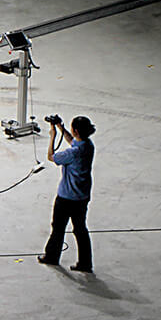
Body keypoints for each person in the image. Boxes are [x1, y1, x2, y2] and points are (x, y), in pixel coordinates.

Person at [38, 115, 96, 272]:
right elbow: (72, 141)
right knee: (80, 229)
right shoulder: (87, 146)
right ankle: (85, 263)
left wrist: (52, 137)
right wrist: (60, 127)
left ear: (75, 130)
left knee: (58, 227)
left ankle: (51, 256)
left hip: (66, 197)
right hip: (82, 196)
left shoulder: (72, 153)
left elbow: (51, 157)